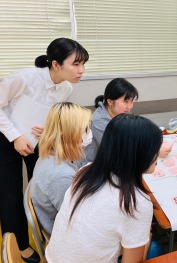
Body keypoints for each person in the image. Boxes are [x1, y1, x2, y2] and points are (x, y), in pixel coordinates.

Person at [0, 37, 89, 263]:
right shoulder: (24, 78)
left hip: (37, 139)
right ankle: (19, 244)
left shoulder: (66, 88)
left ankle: (44, 231)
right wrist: (15, 136)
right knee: (10, 193)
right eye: (76, 64)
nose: (81, 70)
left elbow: (53, 115)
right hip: (6, 135)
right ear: (56, 64)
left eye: (83, 64)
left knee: (39, 185)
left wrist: (49, 128)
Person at [46, 114, 163, 263]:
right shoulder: (136, 203)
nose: (157, 155)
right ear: (137, 155)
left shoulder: (86, 171)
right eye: (154, 150)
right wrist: (145, 240)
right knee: (155, 248)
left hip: (52, 259)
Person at [30, 102, 91, 235]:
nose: (88, 133)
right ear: (68, 133)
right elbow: (77, 221)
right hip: (66, 235)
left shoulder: (50, 157)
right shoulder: (60, 175)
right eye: (85, 129)